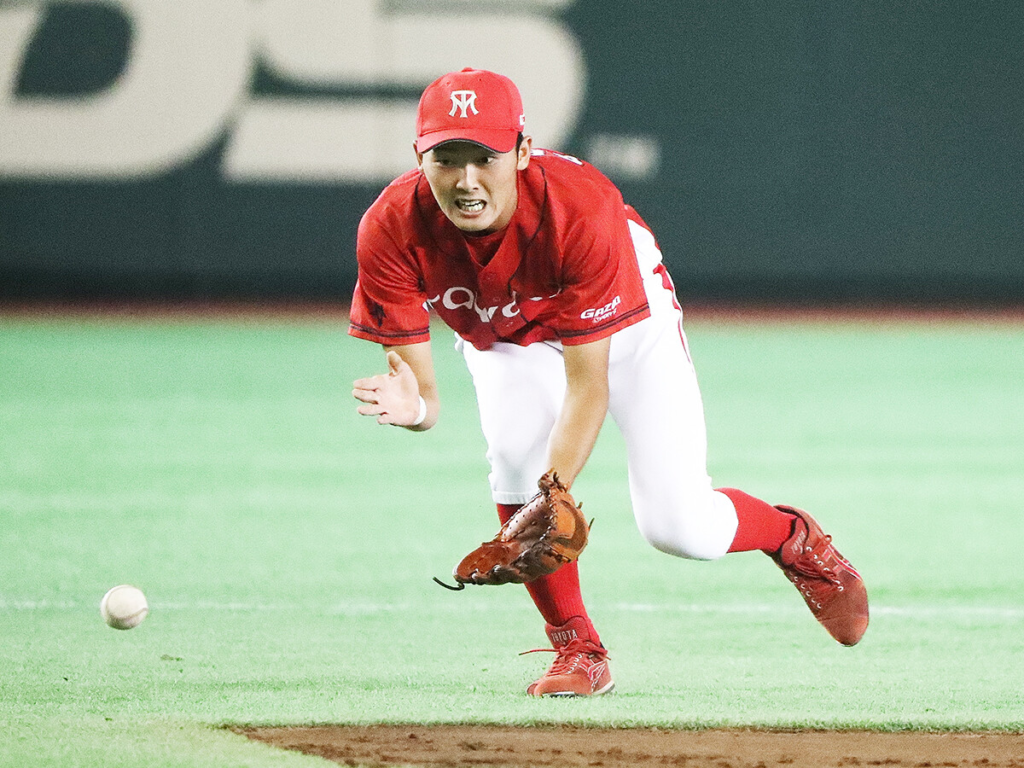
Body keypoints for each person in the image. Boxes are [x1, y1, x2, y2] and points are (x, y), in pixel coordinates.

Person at [350, 68, 868, 697]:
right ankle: (579, 650)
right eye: (446, 158)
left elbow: (587, 385)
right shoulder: (390, 227)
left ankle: (793, 538)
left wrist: (555, 493)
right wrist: (415, 410)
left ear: (521, 151)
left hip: (626, 323)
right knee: (513, 463)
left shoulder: (580, 206)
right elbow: (425, 402)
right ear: (419, 158)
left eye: (483, 156)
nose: (465, 179)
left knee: (680, 528)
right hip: (507, 337)